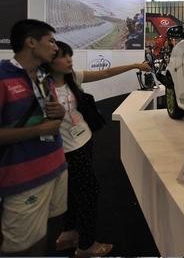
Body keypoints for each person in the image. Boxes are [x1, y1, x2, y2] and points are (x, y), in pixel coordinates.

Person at [48, 41, 151, 257]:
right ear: (49, 60)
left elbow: (106, 72)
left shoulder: (72, 78)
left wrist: (134, 65)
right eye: (63, 56)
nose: (69, 60)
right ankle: (86, 246)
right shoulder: (40, 89)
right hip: (65, 151)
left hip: (83, 141)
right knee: (87, 193)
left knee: (73, 191)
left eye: (70, 55)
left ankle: (69, 233)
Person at [0, 19, 67, 255]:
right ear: (31, 42)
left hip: (56, 167)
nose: (55, 48)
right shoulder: (2, 76)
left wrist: (60, 112)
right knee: (24, 246)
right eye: (51, 41)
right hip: (23, 179)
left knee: (52, 230)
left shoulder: (44, 77)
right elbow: (39, 128)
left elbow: (50, 117)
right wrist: (38, 131)